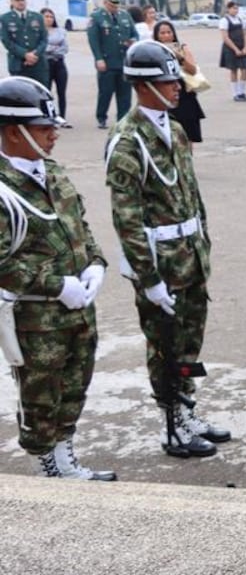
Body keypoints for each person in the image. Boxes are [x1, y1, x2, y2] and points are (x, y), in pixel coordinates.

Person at [106, 42, 230, 458]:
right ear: (143, 85)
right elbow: (127, 220)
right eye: (166, 80)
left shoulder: (174, 130)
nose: (177, 86)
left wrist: (203, 246)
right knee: (165, 348)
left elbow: (192, 195)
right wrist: (149, 279)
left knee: (189, 344)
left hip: (190, 258)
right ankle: (172, 424)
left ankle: (187, 407)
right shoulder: (126, 142)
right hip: (161, 267)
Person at [0, 77, 115, 480]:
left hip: (78, 310)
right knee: (41, 395)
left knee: (74, 388)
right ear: (14, 132)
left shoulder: (51, 171)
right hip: (37, 322)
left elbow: (78, 225)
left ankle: (66, 458)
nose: (54, 135)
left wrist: (95, 262)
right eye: (43, 128)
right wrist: (55, 285)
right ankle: (48, 467)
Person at [86, 0, 135, 129]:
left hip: (124, 62)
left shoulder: (125, 15)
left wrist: (132, 41)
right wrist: (98, 58)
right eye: (112, 5)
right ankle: (101, 117)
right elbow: (93, 40)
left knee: (125, 94)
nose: (115, 8)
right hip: (107, 62)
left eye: (117, 5)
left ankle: (123, 118)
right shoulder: (96, 17)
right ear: (105, 2)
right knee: (105, 93)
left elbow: (134, 33)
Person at [153, 20, 207, 144]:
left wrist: (180, 58)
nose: (166, 36)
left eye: (169, 32)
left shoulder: (182, 48)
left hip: (184, 97)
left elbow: (193, 70)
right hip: (163, 96)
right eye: (162, 33)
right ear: (157, 35)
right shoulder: (153, 50)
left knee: (187, 138)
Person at [2, 0, 48, 87]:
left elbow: (44, 39)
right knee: (20, 96)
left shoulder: (37, 17)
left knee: (41, 95)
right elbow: (7, 42)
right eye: (17, 0)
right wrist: (25, 54)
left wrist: (35, 54)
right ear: (11, 1)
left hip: (38, 64)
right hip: (18, 65)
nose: (20, 2)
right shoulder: (4, 19)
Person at [218, 0, 246, 102]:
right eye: (233, 8)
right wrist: (235, 49)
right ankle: (235, 93)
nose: (235, 10)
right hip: (231, 48)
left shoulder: (240, 20)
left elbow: (245, 34)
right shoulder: (224, 20)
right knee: (234, 70)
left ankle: (242, 92)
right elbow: (225, 37)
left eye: (237, 8)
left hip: (242, 46)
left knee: (245, 69)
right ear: (228, 9)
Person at [41, 9, 69, 126]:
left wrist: (51, 48)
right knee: (46, 93)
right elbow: (42, 48)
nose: (49, 19)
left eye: (51, 17)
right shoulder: (39, 32)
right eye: (46, 16)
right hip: (46, 65)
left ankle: (62, 117)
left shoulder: (60, 31)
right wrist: (53, 47)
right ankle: (48, 116)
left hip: (59, 64)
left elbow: (64, 48)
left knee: (61, 92)